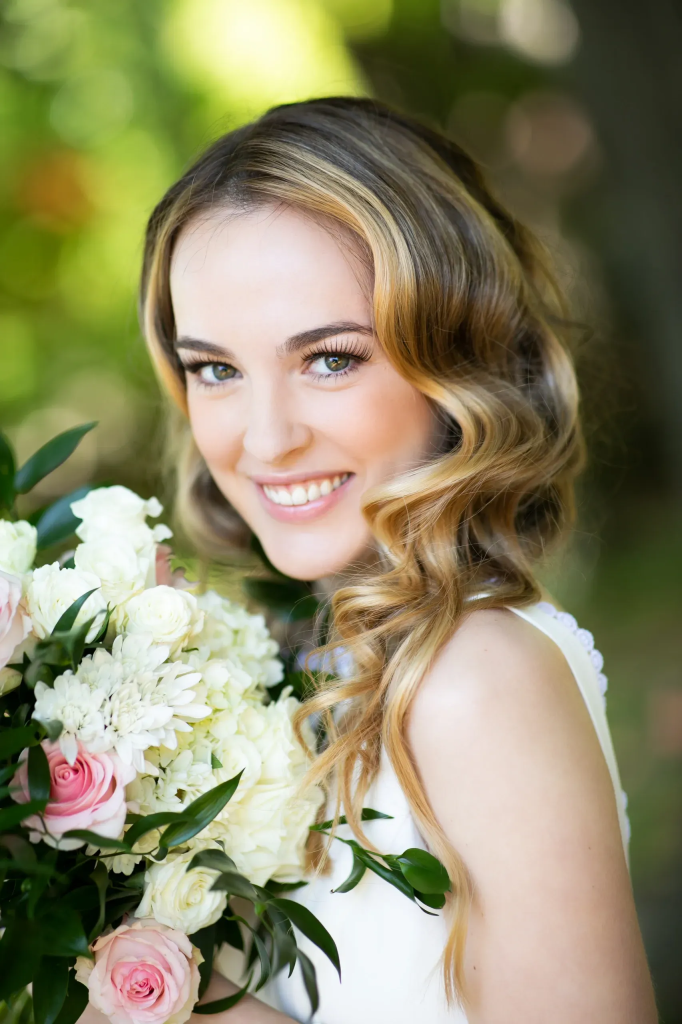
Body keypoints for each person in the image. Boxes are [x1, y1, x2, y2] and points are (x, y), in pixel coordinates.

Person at [136, 97, 657, 1023]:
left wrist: (187, 999)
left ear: (453, 359)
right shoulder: (316, 660)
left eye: (329, 360)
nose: (266, 438)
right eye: (216, 368)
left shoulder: (473, 681)